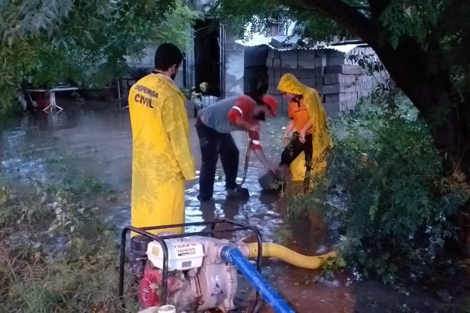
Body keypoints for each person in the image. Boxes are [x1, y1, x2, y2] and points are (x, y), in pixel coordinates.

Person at [128, 43, 195, 236]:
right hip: (166, 170)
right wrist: (189, 171)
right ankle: (166, 259)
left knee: (144, 215)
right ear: (174, 67)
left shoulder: (137, 89)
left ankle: (141, 252)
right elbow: (179, 138)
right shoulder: (170, 96)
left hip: (142, 164)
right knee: (167, 221)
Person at [195, 87, 278, 201]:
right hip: (206, 124)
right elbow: (233, 115)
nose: (268, 116)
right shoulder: (247, 101)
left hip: (220, 128)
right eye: (269, 113)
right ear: (264, 106)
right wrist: (249, 127)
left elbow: (255, 145)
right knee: (210, 160)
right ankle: (205, 197)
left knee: (232, 153)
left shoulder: (254, 121)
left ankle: (231, 187)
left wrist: (268, 166)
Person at [277, 73, 332, 192]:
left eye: (285, 92)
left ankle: (307, 193)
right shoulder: (292, 103)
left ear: (291, 88)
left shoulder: (310, 95)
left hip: (312, 136)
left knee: (310, 164)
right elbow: (293, 120)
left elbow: (315, 116)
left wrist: (303, 130)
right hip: (300, 135)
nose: (284, 96)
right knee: (285, 156)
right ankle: (280, 187)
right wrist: (286, 133)